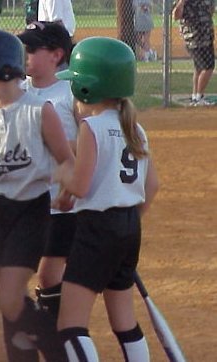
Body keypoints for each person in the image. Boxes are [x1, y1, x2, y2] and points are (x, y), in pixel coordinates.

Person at [0, 28, 75, 362]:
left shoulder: (39, 110)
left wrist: (67, 189)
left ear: (6, 65)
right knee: (13, 303)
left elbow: (66, 160)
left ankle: (63, 353)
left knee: (8, 298)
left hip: (29, 210)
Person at [55, 37, 159, 361]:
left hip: (97, 229)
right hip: (129, 226)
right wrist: (123, 227)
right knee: (124, 322)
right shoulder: (135, 128)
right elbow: (151, 186)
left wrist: (62, 177)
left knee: (70, 326)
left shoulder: (92, 127)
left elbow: (81, 185)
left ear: (85, 89)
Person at [17, 21, 77, 319]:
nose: (23, 54)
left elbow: (84, 148)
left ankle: (60, 334)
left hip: (59, 204)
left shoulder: (69, 95)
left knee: (48, 275)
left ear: (56, 55)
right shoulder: (18, 91)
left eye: (31, 49)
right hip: (25, 202)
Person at [173, 0, 215, 106]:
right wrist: (182, 2)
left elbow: (211, 11)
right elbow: (176, 16)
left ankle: (195, 96)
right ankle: (199, 96)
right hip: (194, 39)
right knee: (208, 67)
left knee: (199, 68)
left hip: (207, 37)